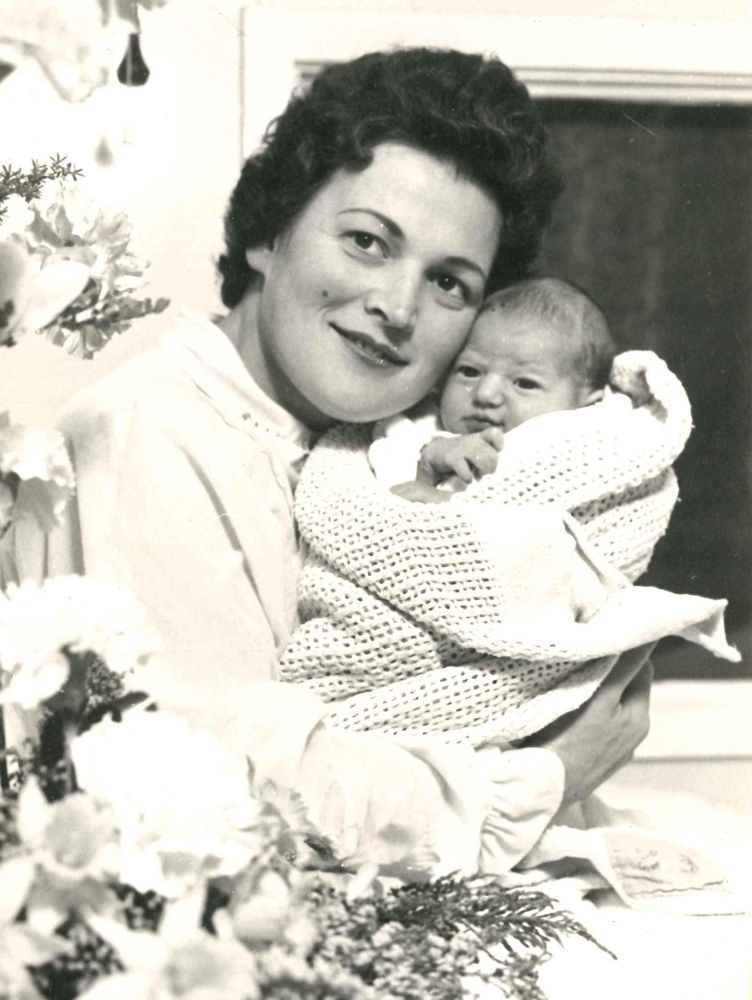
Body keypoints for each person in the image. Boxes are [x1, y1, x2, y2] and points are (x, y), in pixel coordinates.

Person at [6, 48, 656, 876]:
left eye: (450, 284)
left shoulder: (380, 450)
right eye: (366, 242)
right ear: (269, 235)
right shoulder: (143, 434)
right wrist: (546, 777)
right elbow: (219, 790)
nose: (396, 307)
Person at [368, 276, 615, 501]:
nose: (485, 394)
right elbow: (388, 499)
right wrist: (428, 463)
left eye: (525, 383)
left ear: (587, 407)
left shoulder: (581, 457)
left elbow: (536, 531)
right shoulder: (410, 430)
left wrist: (447, 506)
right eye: (470, 371)